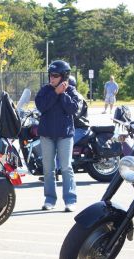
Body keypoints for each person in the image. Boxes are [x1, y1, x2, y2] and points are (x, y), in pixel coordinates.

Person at [35, 60, 79, 212]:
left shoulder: (72, 91)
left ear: (64, 76)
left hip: (65, 136)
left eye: (55, 75)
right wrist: (55, 93)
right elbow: (42, 106)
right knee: (48, 169)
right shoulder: (45, 90)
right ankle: (50, 200)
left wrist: (63, 94)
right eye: (50, 75)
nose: (51, 78)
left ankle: (70, 200)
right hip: (46, 135)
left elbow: (73, 109)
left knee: (66, 167)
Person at [69, 76, 90, 144]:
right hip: (72, 128)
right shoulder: (66, 96)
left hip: (80, 128)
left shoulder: (78, 98)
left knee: (62, 146)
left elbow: (75, 114)